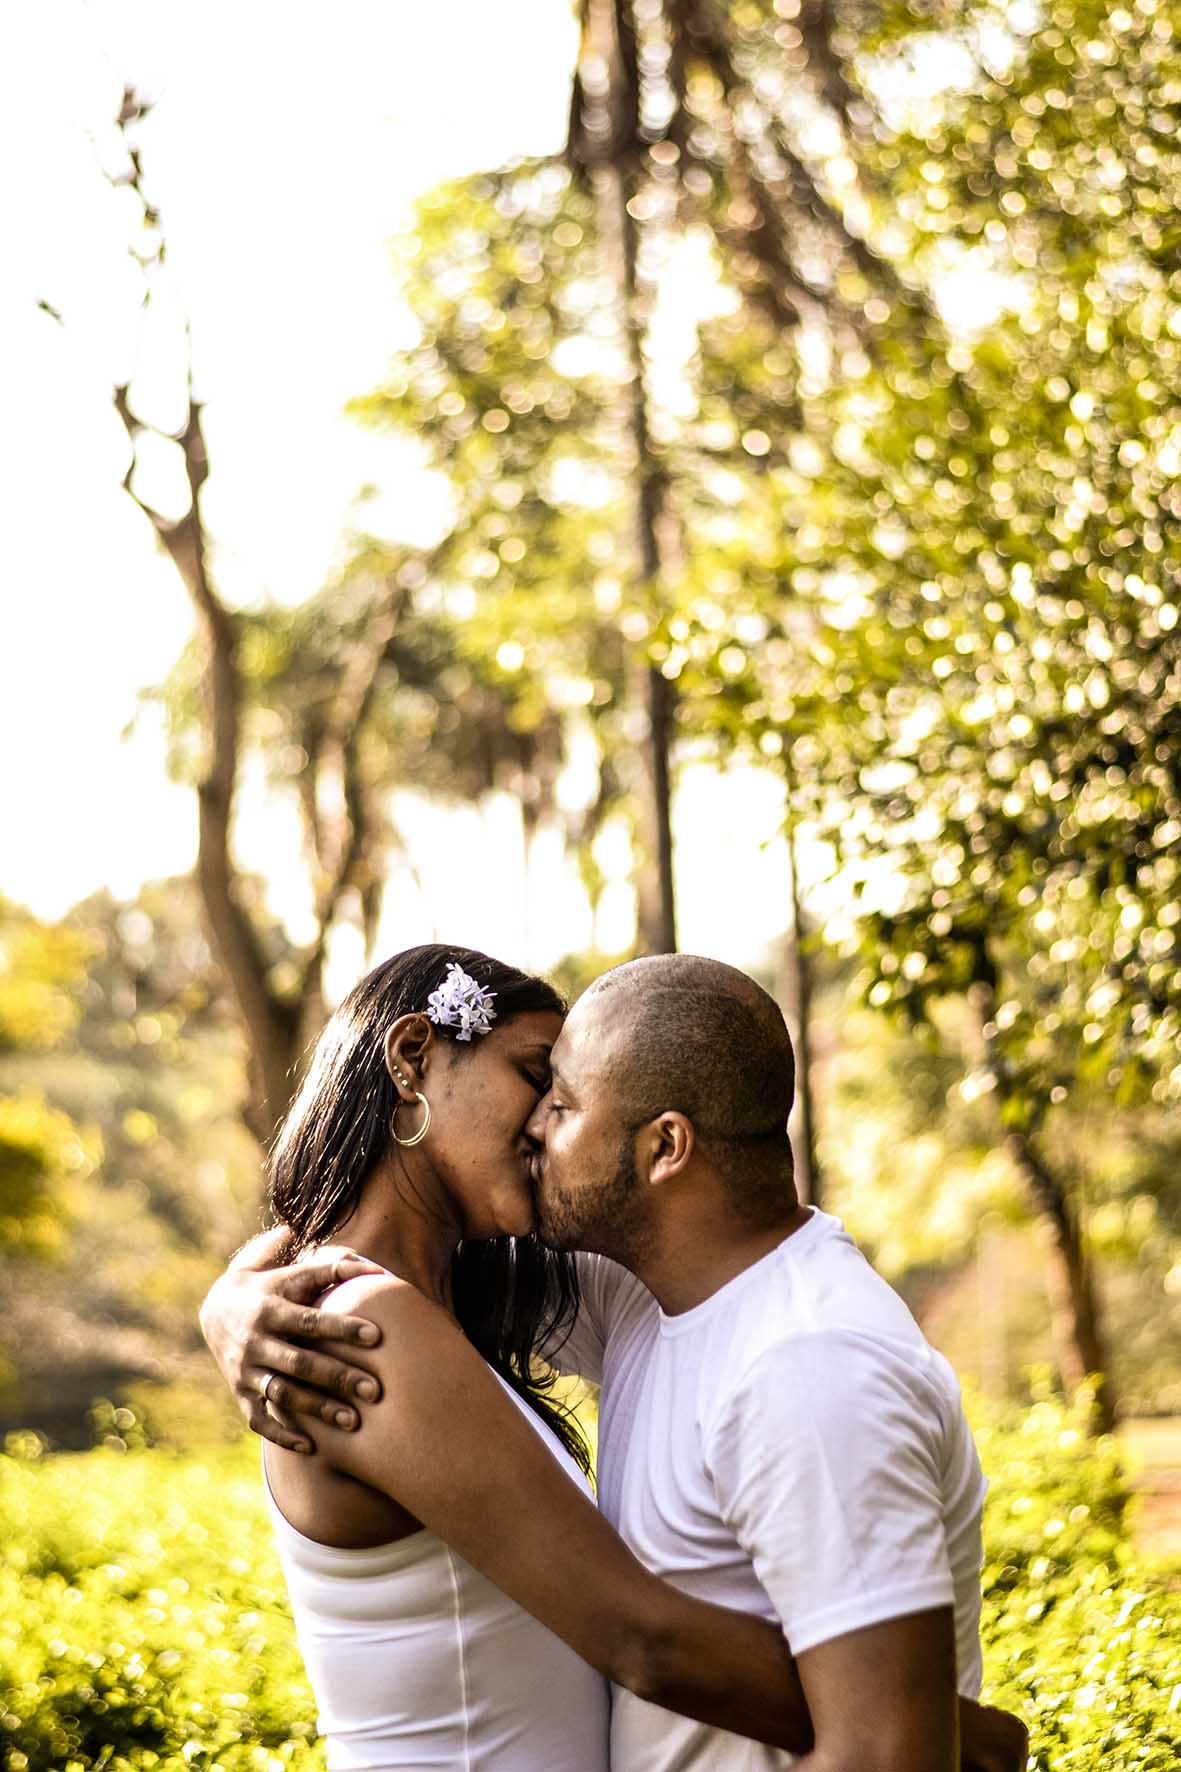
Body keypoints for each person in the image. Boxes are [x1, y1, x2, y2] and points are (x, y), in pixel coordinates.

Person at [203, 947, 1029, 1772]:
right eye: (535, 1076)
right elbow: (641, 1639)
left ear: (663, 1146)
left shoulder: (764, 1342)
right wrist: (948, 1731)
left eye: (561, 1101)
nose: (537, 1125)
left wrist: (233, 1296)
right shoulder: (362, 1330)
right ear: (413, 1059)